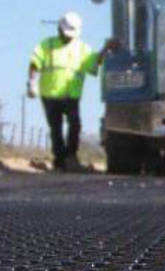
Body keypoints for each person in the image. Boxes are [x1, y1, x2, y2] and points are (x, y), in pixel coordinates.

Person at [27, 12, 117, 172]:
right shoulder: (47, 45)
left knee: (75, 125)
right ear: (59, 29)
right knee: (56, 128)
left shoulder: (81, 48)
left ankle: (71, 157)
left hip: (71, 95)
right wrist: (32, 83)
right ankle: (60, 161)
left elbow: (95, 62)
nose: (68, 37)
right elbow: (35, 63)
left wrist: (105, 49)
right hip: (50, 95)